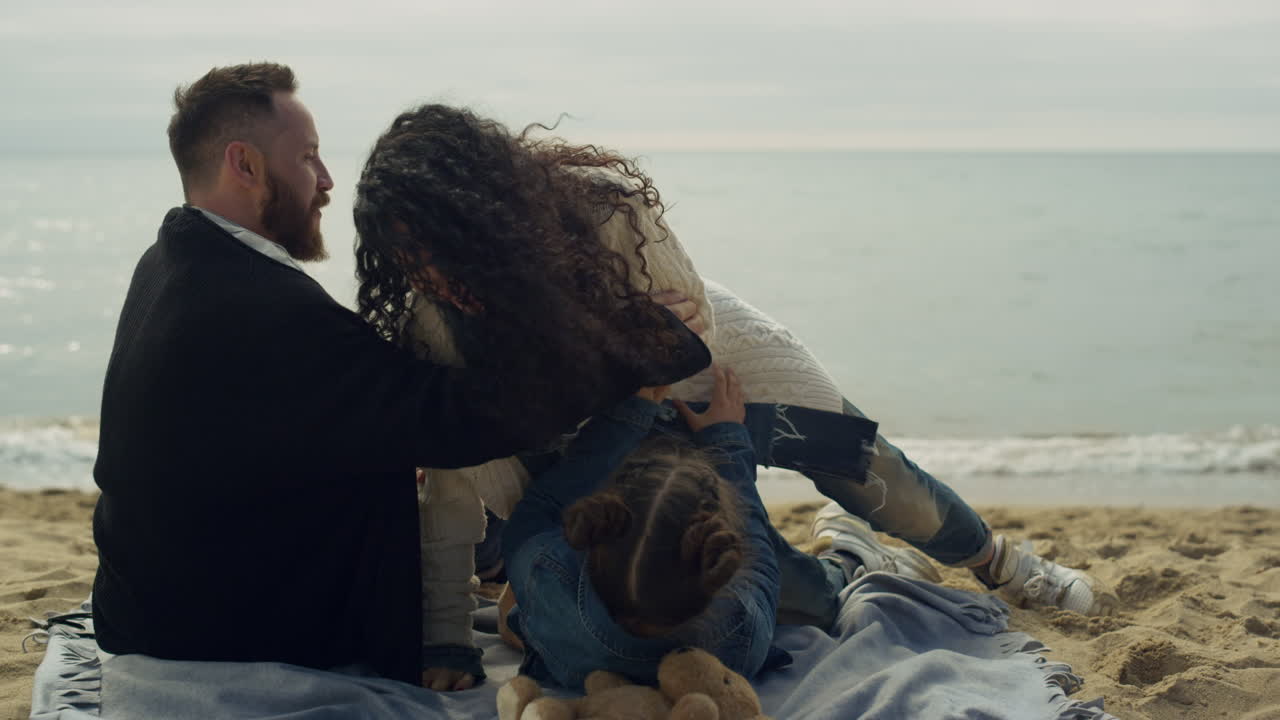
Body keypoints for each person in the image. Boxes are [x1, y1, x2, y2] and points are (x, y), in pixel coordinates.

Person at [352, 103, 1119, 688]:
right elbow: (450, 485)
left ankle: (1004, 562)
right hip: (604, 439)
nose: (432, 278)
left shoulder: (603, 214)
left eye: (441, 250)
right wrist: (446, 638)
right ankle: (850, 554)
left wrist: (655, 379)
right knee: (792, 603)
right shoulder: (435, 328)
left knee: (864, 469)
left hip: (709, 378)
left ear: (488, 219)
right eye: (407, 260)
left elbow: (694, 333)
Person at [90, 63, 710, 686]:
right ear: (245, 165)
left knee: (459, 503)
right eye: (307, 158)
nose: (328, 180)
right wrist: (631, 343)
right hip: (229, 630)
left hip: (149, 606)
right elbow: (459, 420)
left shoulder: (175, 260)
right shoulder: (263, 308)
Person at [501, 366, 869, 690]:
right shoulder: (739, 631)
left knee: (513, 615)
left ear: (602, 524)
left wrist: (627, 416)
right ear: (715, 558)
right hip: (769, 599)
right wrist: (727, 438)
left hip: (557, 634)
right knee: (819, 598)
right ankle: (847, 552)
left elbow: (541, 506)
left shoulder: (547, 572)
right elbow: (757, 543)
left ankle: (843, 548)